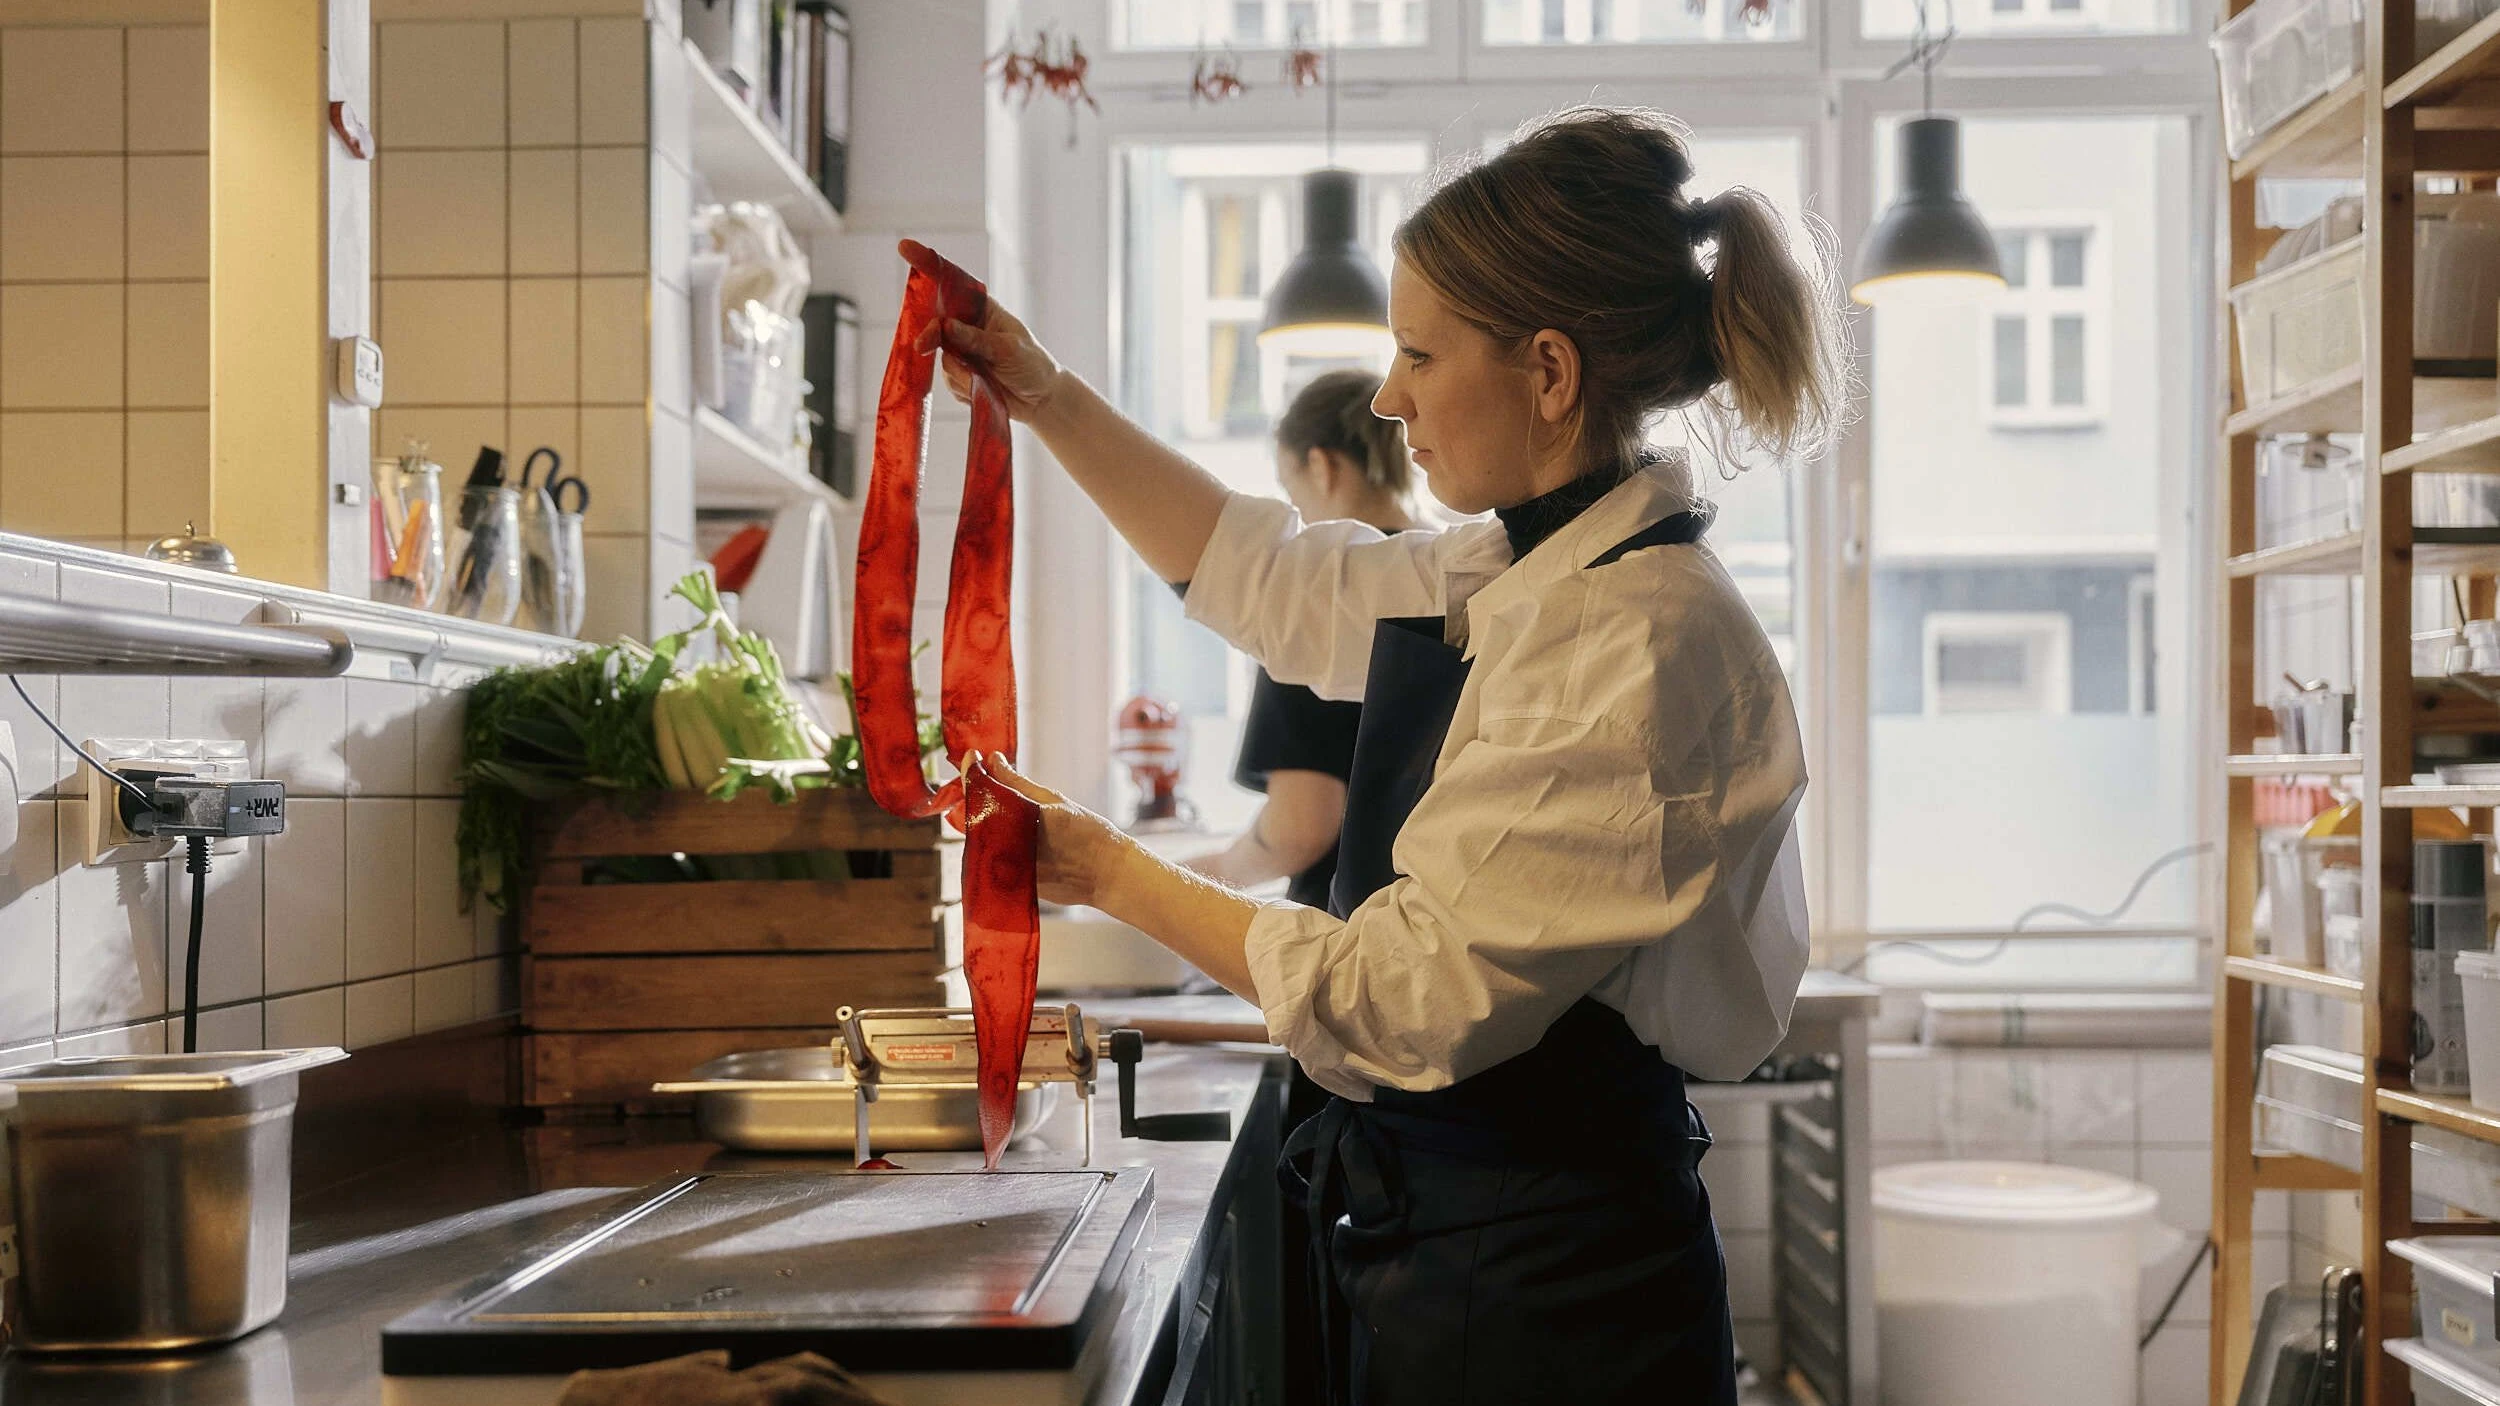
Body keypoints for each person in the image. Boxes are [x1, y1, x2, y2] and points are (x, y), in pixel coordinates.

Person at [910, 103, 1841, 1406]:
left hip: (1551, 1297)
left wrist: (1111, 869)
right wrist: (1044, 393)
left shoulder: (1634, 635)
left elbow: (1393, 997)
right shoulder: (1523, 562)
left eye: (1417, 351)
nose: (1391, 395)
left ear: (1552, 373)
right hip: (1463, 1241)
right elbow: (1274, 580)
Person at [1185, 368, 1419, 910]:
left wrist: (1212, 872)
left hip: (1353, 932)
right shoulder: (1468, 577)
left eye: (1291, 492)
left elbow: (1300, 826)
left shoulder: (1318, 595)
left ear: (1321, 465)